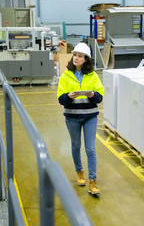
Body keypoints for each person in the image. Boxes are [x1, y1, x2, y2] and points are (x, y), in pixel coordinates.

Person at [57, 42, 104, 194]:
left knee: (90, 149)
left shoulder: (93, 75)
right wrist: (68, 97)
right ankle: (79, 172)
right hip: (72, 117)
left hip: (90, 116)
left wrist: (92, 95)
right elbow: (60, 99)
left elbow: (99, 96)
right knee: (76, 146)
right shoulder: (66, 75)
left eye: (80, 56)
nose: (76, 58)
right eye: (75, 55)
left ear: (86, 59)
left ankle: (93, 181)